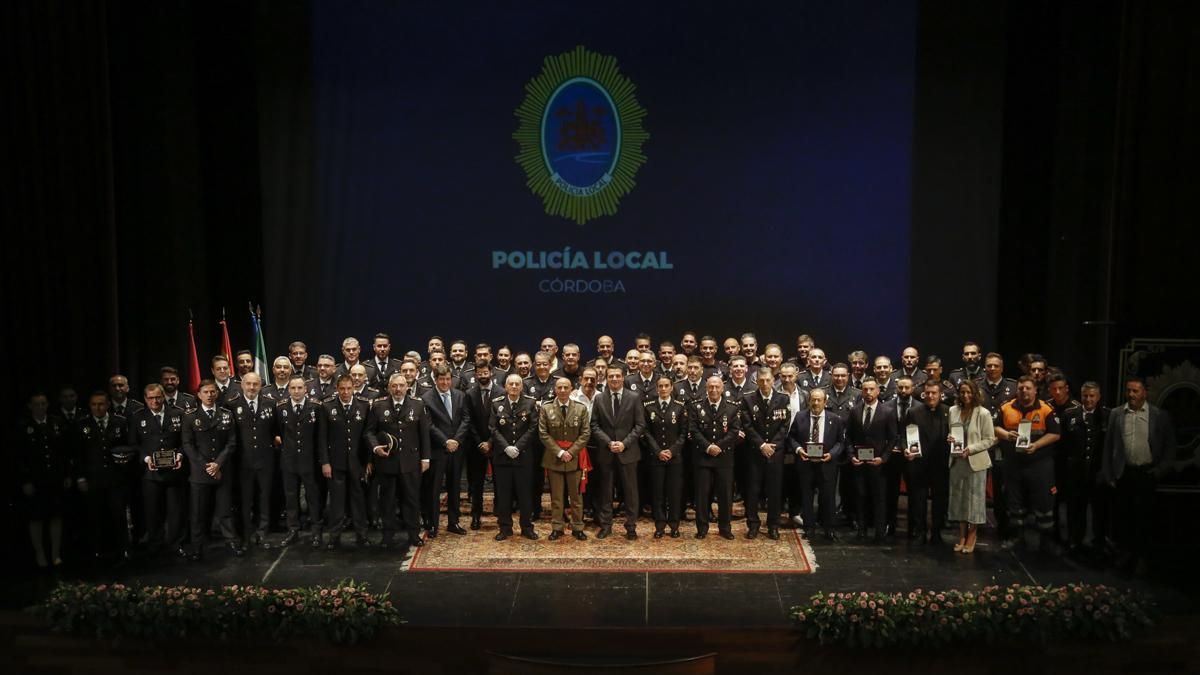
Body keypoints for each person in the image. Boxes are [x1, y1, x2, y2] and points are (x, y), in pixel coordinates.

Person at [1102, 377, 1176, 576]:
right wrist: (1109, 473)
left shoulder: (1159, 415)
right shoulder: (1117, 414)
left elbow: (1170, 448)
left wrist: (1159, 471)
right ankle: (1125, 554)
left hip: (1146, 473)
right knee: (1123, 517)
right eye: (1128, 391)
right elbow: (1109, 446)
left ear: (1145, 392)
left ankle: (1141, 558)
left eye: (1135, 391)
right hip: (1124, 473)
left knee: (1143, 518)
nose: (1131, 395)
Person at [996, 376, 1061, 553]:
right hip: (1013, 463)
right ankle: (1017, 538)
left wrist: (1037, 445)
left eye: (1027, 388)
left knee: (1043, 503)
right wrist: (1006, 435)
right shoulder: (1006, 407)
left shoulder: (1046, 409)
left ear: (1035, 390)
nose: (1024, 391)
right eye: (1021, 388)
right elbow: (994, 427)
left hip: (1040, 464)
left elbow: (1055, 434)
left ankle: (1045, 542)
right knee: (1015, 501)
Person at [367, 373, 432, 549]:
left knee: (411, 500)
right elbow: (370, 432)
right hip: (387, 463)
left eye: (401, 385)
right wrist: (375, 447)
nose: (398, 389)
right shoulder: (379, 406)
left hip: (410, 462)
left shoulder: (417, 405)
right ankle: (388, 536)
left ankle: (413, 535)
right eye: (394, 386)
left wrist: (425, 458)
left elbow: (424, 434)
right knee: (387, 502)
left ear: (407, 387)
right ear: (389, 387)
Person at [181, 380, 241, 560]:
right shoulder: (190, 416)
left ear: (217, 393)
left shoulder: (226, 415)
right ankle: (197, 546)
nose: (209, 395)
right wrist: (206, 466)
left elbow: (231, 442)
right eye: (205, 392)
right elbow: (187, 444)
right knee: (198, 513)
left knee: (225, 511)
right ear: (199, 395)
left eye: (212, 392)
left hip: (222, 471)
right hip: (200, 473)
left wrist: (218, 464)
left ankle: (231, 542)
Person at [73, 391, 132, 563]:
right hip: (93, 479)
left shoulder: (119, 422)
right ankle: (96, 551)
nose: (97, 408)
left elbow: (128, 447)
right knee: (94, 516)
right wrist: (80, 478)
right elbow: (77, 455)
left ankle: (123, 550)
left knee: (118, 515)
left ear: (107, 405)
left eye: (101, 404)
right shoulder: (81, 425)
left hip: (116, 478)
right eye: (94, 404)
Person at [589, 367, 646, 539]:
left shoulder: (634, 397)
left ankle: (631, 526)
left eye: (617, 376)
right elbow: (594, 425)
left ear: (623, 378)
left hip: (628, 452)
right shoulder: (599, 398)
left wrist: (624, 443)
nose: (614, 379)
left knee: (630, 493)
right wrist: (609, 443)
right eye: (611, 376)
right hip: (606, 453)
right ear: (606, 378)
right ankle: (606, 525)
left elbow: (640, 425)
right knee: (605, 492)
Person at [130, 384, 186, 557]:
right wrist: (146, 459)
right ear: (145, 399)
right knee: (152, 511)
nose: (154, 401)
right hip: (151, 473)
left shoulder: (178, 413)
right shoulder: (138, 417)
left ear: (163, 397)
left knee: (176, 511)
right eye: (150, 398)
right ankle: (155, 543)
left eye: (157, 397)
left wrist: (179, 455)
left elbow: (186, 441)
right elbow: (134, 444)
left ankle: (176, 544)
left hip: (174, 472)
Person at [318, 375, 373, 550]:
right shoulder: (327, 407)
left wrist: (369, 461)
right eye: (342, 388)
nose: (346, 392)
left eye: (349, 388)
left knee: (358, 501)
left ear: (353, 388)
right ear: (337, 388)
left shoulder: (364, 406)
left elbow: (368, 436)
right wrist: (325, 462)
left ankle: (362, 535)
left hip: (357, 463)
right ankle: (334, 536)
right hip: (336, 463)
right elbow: (322, 439)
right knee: (336, 502)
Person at [18, 393, 71, 568]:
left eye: (43, 404)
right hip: (36, 480)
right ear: (30, 406)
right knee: (36, 518)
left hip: (55, 478)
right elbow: (20, 457)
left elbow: (65, 452)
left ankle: (55, 553)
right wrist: (25, 480)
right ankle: (40, 553)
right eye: (36, 404)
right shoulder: (25, 427)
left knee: (56, 516)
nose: (40, 407)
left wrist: (67, 475)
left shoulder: (56, 423)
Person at [420, 364, 471, 537]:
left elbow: (466, 419)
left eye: (448, 379)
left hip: (457, 449)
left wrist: (456, 440)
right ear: (435, 379)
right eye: (441, 379)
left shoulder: (460, 395)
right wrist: (445, 441)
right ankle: (433, 525)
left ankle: (453, 522)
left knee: (455, 487)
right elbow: (429, 425)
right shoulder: (426, 398)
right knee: (434, 490)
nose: (445, 382)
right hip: (437, 450)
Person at [1060, 381, 1109, 557]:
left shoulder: (1106, 416)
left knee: (1099, 509)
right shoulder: (1069, 415)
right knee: (1075, 507)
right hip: (1075, 470)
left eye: (1092, 396)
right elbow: (1063, 444)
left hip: (1097, 471)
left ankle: (1099, 541)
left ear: (1098, 397)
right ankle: (1075, 539)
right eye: (1085, 396)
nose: (1088, 399)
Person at [538, 378, 591, 541]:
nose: (562, 390)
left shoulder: (580, 409)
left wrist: (572, 451)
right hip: (555, 458)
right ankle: (557, 527)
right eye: (559, 387)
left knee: (576, 497)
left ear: (571, 389)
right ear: (555, 389)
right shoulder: (546, 408)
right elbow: (543, 434)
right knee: (557, 497)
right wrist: (560, 452)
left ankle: (577, 527)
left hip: (574, 458)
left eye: (565, 387)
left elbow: (585, 433)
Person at [488, 373, 539, 541]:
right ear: (506, 386)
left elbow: (533, 428)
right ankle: (505, 527)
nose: (515, 387)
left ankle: (526, 527)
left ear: (522, 386)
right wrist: (506, 447)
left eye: (518, 384)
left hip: (523, 456)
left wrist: (517, 447)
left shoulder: (530, 403)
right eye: (511, 384)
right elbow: (493, 428)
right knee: (504, 495)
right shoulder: (497, 404)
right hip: (503, 457)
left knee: (525, 494)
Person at [788, 387, 844, 542]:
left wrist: (831, 454)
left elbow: (841, 442)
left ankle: (829, 529)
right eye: (813, 399)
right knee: (806, 498)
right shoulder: (800, 417)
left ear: (825, 402)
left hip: (826, 464)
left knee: (828, 498)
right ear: (809, 401)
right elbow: (791, 438)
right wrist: (799, 450)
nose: (816, 403)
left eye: (819, 400)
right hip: (806, 464)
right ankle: (809, 528)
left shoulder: (835, 419)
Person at [741, 367, 791, 539]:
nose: (765, 383)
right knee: (753, 490)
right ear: (756, 381)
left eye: (768, 380)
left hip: (775, 453)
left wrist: (773, 445)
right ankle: (753, 524)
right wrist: (762, 445)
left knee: (774, 490)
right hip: (755, 452)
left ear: (773, 380)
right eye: (761, 380)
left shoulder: (783, 398)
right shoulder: (748, 399)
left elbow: (785, 425)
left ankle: (773, 525)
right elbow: (747, 426)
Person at [229, 372, 277, 550]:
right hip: (243, 462)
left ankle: (262, 532)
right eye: (248, 384)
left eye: (255, 384)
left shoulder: (270, 404)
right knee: (245, 499)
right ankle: (246, 535)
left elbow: (275, 430)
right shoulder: (233, 405)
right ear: (242, 385)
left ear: (261, 386)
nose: (251, 388)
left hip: (265, 460)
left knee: (264, 498)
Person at [690, 376, 742, 539]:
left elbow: (734, 431)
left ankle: (725, 528)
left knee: (725, 495)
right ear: (706, 388)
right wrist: (708, 446)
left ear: (722, 388)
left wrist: (719, 446)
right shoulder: (696, 406)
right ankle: (702, 528)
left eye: (717, 387)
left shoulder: (732, 408)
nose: (713, 390)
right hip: (703, 458)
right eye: (710, 387)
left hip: (724, 458)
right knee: (702, 495)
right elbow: (693, 430)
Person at [947, 379, 995, 554]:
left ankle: (972, 536)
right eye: (962, 392)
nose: (965, 396)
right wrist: (950, 439)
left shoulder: (983, 413)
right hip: (957, 461)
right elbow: (952, 433)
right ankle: (961, 536)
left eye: (969, 392)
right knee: (959, 500)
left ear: (975, 394)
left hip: (976, 463)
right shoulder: (953, 411)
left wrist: (971, 449)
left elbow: (990, 439)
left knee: (974, 501)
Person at [846, 378, 897, 543]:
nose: (868, 393)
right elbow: (848, 437)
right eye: (865, 389)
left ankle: (879, 532)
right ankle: (861, 530)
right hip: (859, 464)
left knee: (879, 498)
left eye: (871, 389)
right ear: (862, 391)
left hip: (878, 465)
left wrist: (883, 458)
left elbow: (892, 439)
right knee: (860, 497)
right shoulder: (854, 411)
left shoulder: (888, 412)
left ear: (878, 391)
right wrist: (851, 455)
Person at [902, 380, 951, 544]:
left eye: (934, 393)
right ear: (923, 394)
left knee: (940, 501)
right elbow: (904, 436)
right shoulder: (913, 412)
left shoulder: (948, 412)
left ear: (940, 394)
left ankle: (936, 533)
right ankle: (920, 532)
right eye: (927, 393)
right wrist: (906, 449)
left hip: (941, 466)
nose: (930, 396)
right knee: (918, 501)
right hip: (918, 464)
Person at [277, 376, 324, 548]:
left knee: (313, 497)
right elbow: (281, 433)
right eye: (293, 388)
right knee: (291, 498)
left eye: (299, 388)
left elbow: (320, 436)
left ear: (306, 389)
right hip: (289, 461)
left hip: (309, 461)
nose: (296, 391)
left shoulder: (316, 407)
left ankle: (316, 531)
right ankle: (293, 530)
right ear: (288, 390)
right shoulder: (281, 407)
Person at [643, 375, 687, 538]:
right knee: (658, 493)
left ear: (671, 387)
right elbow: (646, 432)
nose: (663, 389)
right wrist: (657, 451)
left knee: (674, 493)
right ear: (656, 388)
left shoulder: (679, 406)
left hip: (675, 458)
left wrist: (672, 451)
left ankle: (674, 525)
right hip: (656, 458)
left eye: (666, 386)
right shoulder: (649, 407)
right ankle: (660, 525)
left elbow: (684, 433)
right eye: (660, 386)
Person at [464, 361, 498, 530]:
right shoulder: (469, 394)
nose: (483, 376)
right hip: (476, 446)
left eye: (485, 372)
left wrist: (491, 442)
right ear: (475, 375)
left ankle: (500, 514)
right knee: (476, 484)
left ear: (491, 373)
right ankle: (476, 516)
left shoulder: (501, 392)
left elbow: (501, 421)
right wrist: (480, 442)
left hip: (497, 444)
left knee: (500, 482)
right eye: (480, 373)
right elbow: (468, 421)